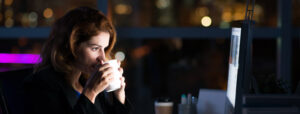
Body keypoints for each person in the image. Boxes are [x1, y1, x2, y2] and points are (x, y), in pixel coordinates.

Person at [23, 7, 132, 114]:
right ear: (72, 46)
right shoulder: (42, 85)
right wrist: (90, 92)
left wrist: (119, 96)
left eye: (104, 48)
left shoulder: (85, 81)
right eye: (95, 48)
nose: (103, 58)